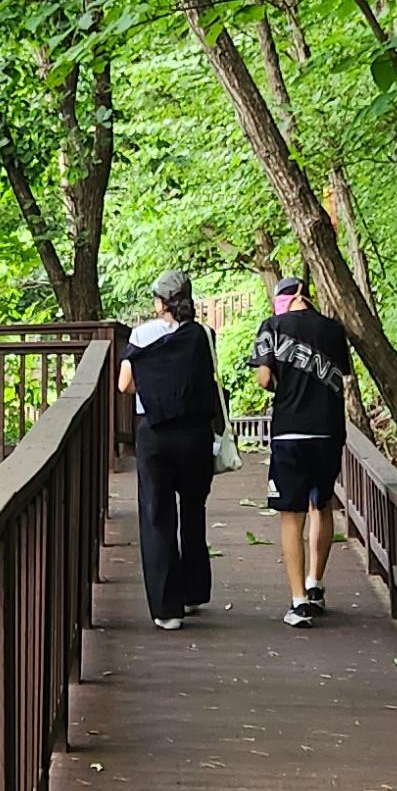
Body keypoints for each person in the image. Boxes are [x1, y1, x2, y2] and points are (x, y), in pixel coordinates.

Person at [250, 264, 354, 626]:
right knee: (320, 505)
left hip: (290, 432)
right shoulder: (332, 328)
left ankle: (297, 602)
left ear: (284, 300)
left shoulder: (272, 327)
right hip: (327, 430)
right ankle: (315, 583)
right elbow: (342, 373)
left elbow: (264, 379)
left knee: (290, 516)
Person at [118, 267, 219, 628]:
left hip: (155, 434)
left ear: (160, 301)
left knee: (157, 514)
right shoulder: (204, 334)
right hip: (195, 434)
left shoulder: (142, 334)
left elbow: (124, 385)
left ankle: (167, 609)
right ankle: (193, 591)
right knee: (193, 509)